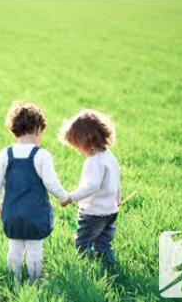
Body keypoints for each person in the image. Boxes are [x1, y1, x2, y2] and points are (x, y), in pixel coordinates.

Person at [0, 101, 69, 283]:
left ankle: (13, 279)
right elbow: (51, 182)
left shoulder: (5, 154)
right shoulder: (41, 155)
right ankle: (35, 279)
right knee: (34, 249)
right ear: (37, 129)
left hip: (12, 212)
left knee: (14, 247)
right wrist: (63, 197)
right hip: (35, 213)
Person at [60, 109, 120, 270]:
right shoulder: (110, 156)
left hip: (93, 214)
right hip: (110, 211)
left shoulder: (94, 161)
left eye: (77, 146)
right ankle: (110, 267)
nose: (77, 150)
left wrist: (70, 197)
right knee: (103, 243)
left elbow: (91, 186)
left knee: (82, 242)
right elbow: (116, 181)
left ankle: (82, 268)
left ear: (88, 141)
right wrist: (117, 199)